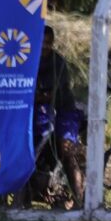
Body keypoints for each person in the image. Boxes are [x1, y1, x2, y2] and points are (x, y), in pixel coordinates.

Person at [30, 25, 85, 207]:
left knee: (66, 150)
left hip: (63, 110)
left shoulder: (58, 63)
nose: (44, 46)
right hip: (38, 110)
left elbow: (52, 94)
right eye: (41, 42)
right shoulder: (27, 61)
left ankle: (79, 199)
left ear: (52, 43)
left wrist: (33, 96)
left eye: (48, 43)